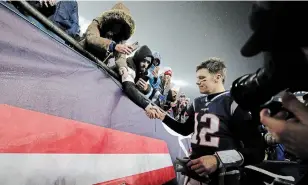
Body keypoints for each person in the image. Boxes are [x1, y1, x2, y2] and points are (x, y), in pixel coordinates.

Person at [147, 58, 265, 185]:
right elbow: (185, 129)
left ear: (217, 77)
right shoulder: (197, 102)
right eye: (197, 78)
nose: (197, 82)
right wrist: (163, 116)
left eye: (202, 78)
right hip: (196, 174)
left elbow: (257, 150)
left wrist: (218, 160)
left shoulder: (233, 102)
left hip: (224, 176)